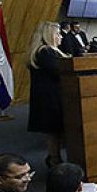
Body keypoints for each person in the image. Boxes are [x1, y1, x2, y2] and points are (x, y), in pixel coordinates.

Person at [27, 21, 69, 166]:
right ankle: (54, 159)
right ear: (49, 35)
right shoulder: (45, 52)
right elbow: (60, 73)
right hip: (50, 99)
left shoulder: (49, 51)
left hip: (53, 96)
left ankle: (55, 158)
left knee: (56, 131)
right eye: (58, 34)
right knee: (54, 130)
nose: (61, 37)